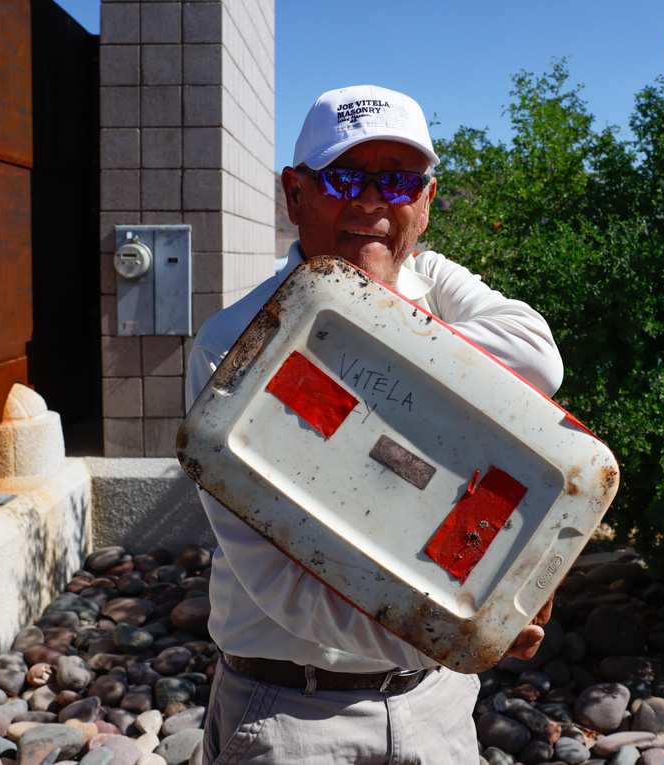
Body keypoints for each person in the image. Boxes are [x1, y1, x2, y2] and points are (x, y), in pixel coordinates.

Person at [185, 84, 564, 764]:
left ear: (425, 200)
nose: (370, 203)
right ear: (294, 193)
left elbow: (537, 357)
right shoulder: (237, 344)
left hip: (437, 706)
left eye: (397, 181)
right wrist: (465, 634)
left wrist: (370, 321)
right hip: (291, 713)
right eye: (344, 177)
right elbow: (281, 585)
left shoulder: (427, 278)